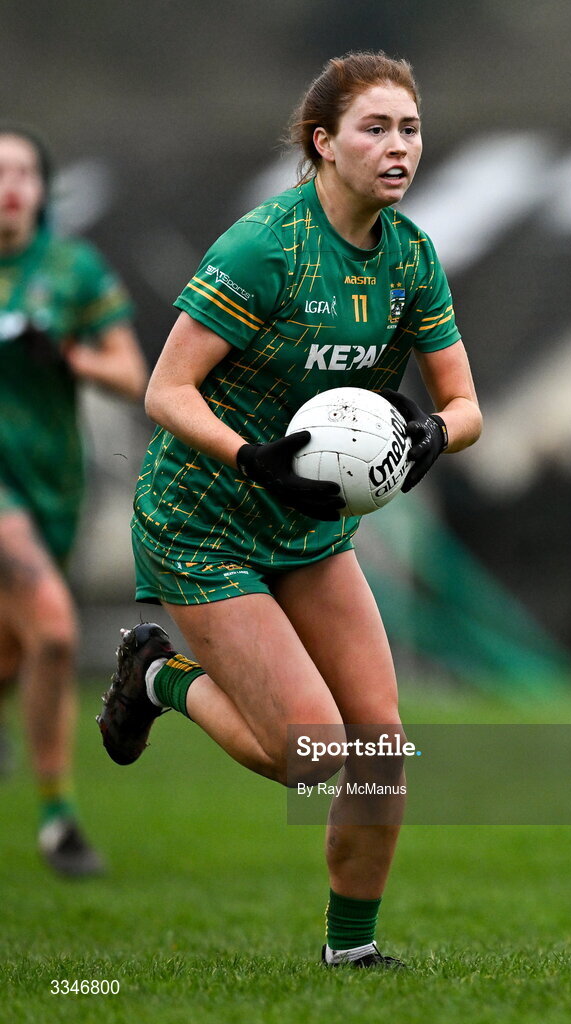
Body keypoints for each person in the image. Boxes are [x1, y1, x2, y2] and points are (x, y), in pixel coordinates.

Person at [98, 52, 482, 963]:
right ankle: (158, 676)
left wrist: (432, 437)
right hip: (204, 522)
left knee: (382, 747)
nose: (400, 148)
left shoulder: (411, 258)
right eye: (376, 129)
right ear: (323, 143)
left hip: (310, 529)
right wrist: (250, 456)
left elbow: (467, 407)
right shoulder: (266, 246)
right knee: (307, 754)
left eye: (411, 129)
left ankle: (351, 953)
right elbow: (165, 391)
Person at [0, 125, 149, 876]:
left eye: (24, 171)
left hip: (54, 483)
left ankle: (44, 787)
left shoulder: (72, 269)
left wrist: (64, 353)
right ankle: (60, 821)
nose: (11, 185)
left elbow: (135, 374)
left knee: (21, 646)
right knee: (57, 633)